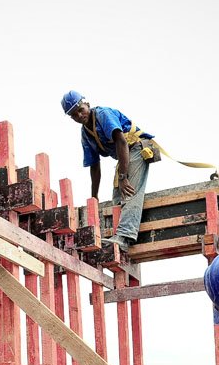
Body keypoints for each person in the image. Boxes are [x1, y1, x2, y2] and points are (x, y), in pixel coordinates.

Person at [60, 90, 155, 249]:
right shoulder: (85, 134)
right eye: (74, 115)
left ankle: (125, 236)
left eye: (80, 110)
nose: (79, 115)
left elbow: (121, 142)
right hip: (124, 156)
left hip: (136, 148)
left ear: (87, 105)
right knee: (117, 197)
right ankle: (117, 235)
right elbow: (94, 166)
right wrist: (94, 198)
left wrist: (123, 177)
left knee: (130, 191)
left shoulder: (103, 115)